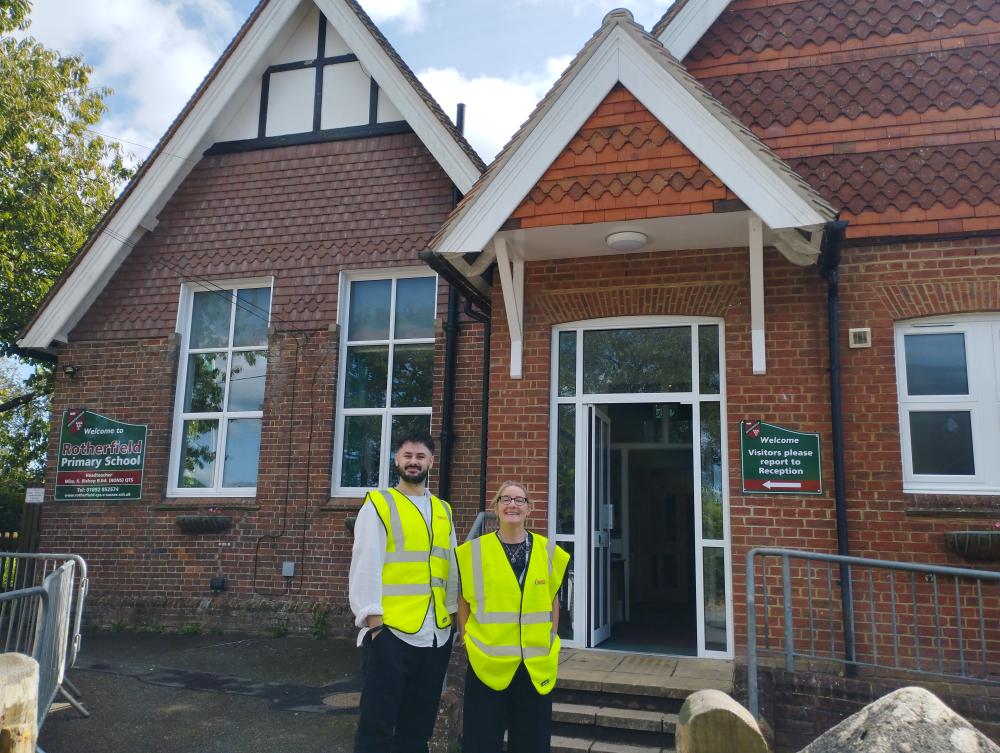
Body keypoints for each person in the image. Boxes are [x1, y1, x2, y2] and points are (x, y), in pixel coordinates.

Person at [348, 430, 458, 753]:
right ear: (396, 459)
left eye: (420, 456)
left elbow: (450, 565)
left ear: (431, 462)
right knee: (377, 730)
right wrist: (374, 622)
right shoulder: (379, 504)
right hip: (391, 634)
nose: (413, 462)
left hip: (434, 635)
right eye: (407, 455)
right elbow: (366, 562)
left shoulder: (443, 510)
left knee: (417, 729)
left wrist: (451, 619)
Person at [456, 481, 570, 753]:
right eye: (505, 499)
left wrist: (552, 638)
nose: (512, 505)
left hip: (534, 667)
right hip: (487, 664)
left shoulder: (548, 551)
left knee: (531, 743)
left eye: (520, 500)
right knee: (481, 742)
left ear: (529, 509)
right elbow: (463, 601)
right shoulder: (473, 552)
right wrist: (466, 639)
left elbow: (553, 599)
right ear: (496, 507)